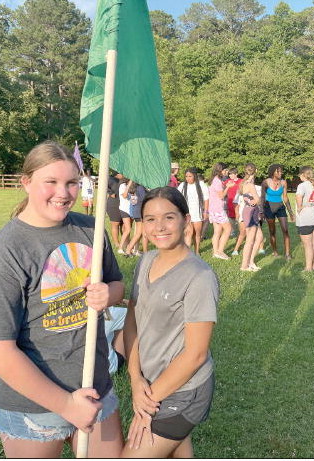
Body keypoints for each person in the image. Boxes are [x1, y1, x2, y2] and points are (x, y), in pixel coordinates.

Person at [0, 140, 124, 459]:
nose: (64, 192)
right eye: (51, 182)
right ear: (26, 182)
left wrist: (108, 293)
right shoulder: (5, 252)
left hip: (96, 388)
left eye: (71, 182)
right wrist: (66, 405)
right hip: (34, 408)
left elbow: (118, 285)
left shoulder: (90, 229)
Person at [122, 187, 219, 458]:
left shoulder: (199, 277)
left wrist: (147, 402)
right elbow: (133, 320)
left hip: (184, 390)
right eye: (150, 219)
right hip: (151, 381)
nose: (159, 227)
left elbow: (195, 354)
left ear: (186, 220)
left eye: (169, 217)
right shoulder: (146, 260)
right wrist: (135, 378)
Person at [260, 165, 294, 259]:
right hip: (269, 208)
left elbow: (285, 197)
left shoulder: (283, 182)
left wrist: (290, 212)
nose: (280, 173)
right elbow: (262, 197)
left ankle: (287, 254)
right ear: (272, 172)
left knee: (285, 230)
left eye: (281, 171)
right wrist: (261, 211)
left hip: (280, 207)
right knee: (272, 231)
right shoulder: (266, 182)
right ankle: (275, 252)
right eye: (278, 171)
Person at [178, 168, 209, 255]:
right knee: (188, 233)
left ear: (194, 176)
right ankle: (186, 252)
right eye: (186, 176)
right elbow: (176, 196)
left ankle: (197, 251)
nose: (188, 178)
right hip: (186, 213)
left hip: (197, 213)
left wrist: (206, 211)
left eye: (190, 176)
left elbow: (206, 199)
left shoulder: (201, 185)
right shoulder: (183, 185)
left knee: (197, 233)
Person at [239, 164, 264, 272]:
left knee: (259, 237)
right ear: (256, 171)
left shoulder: (243, 183)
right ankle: (244, 266)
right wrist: (259, 198)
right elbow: (258, 199)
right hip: (250, 212)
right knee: (250, 240)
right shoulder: (250, 185)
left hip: (250, 210)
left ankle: (251, 262)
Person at [208, 163, 234, 260]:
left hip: (213, 209)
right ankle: (220, 251)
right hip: (218, 209)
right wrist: (228, 187)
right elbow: (221, 196)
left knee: (217, 231)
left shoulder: (214, 180)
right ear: (220, 170)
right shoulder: (217, 181)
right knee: (228, 229)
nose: (226, 172)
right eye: (225, 170)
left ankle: (215, 252)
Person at [104, 303, 128, 375]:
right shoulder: (108, 312)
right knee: (128, 322)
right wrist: (129, 303)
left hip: (74, 369)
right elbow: (133, 314)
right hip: (108, 368)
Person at [125, 182, 147, 257]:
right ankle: (128, 249)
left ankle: (129, 249)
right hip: (140, 211)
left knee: (138, 233)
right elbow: (144, 199)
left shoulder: (132, 188)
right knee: (139, 234)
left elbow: (129, 198)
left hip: (135, 211)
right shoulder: (140, 188)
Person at [106, 171, 124, 249]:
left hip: (124, 204)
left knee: (124, 225)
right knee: (115, 224)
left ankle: (125, 242)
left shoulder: (125, 179)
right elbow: (103, 185)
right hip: (113, 204)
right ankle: (117, 243)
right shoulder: (110, 178)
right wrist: (110, 193)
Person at [224, 168, 243, 237]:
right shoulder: (227, 181)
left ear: (236, 174)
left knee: (239, 217)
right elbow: (223, 189)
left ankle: (241, 231)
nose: (230, 175)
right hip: (230, 201)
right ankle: (233, 231)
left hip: (239, 202)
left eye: (232, 174)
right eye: (229, 174)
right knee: (231, 217)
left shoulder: (241, 181)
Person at [117, 178, 134, 255]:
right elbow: (124, 195)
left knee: (126, 229)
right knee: (128, 229)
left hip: (130, 210)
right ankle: (120, 248)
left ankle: (127, 246)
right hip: (124, 210)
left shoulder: (128, 186)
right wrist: (129, 184)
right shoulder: (123, 186)